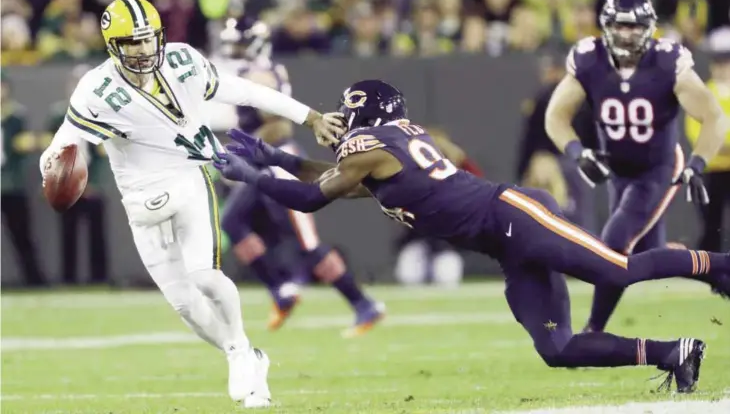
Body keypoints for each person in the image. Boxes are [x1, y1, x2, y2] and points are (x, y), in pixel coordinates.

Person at [214, 79, 730, 394]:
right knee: (558, 347)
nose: (345, 124)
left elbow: (314, 196)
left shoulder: (371, 149)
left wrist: (251, 175)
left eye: (351, 115)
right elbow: (333, 182)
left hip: (515, 215)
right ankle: (673, 353)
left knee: (615, 268)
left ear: (367, 116)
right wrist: (276, 159)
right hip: (505, 240)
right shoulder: (384, 149)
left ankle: (720, 265)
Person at [38, 0, 344, 408]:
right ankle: (250, 355)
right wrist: (52, 165)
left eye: (149, 40)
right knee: (186, 306)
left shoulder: (182, 60)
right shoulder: (98, 89)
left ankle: (238, 350)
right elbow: (66, 142)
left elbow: (245, 90)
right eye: (133, 43)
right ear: (113, 46)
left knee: (205, 276)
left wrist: (309, 116)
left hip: (188, 176)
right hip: (141, 200)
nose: (144, 50)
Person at [544, 0, 730, 333]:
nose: (627, 34)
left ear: (649, 28)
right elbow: (555, 116)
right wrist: (576, 151)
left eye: (634, 27)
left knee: (614, 244)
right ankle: (719, 268)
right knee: (648, 255)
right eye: (619, 26)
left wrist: (697, 163)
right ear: (606, 26)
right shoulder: (589, 58)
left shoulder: (667, 60)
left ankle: (592, 331)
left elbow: (713, 117)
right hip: (618, 171)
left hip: (657, 168)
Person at [208, 17, 385, 336]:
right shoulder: (251, 72)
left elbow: (280, 126)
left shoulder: (259, 73)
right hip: (262, 164)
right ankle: (281, 291)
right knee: (233, 222)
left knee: (308, 245)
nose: (233, 49)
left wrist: (244, 148)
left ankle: (363, 304)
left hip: (278, 161)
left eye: (239, 43)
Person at [517, 50, 597, 233]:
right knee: (580, 224)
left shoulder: (547, 95)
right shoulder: (584, 96)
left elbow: (531, 138)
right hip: (576, 164)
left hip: (553, 165)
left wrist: (526, 167)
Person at [44, 64, 109, 285]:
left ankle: (99, 278)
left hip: (92, 185)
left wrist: (95, 182)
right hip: (66, 185)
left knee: (97, 235)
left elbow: (102, 155)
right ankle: (68, 278)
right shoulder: (58, 115)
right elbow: (52, 153)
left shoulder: (100, 116)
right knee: (67, 234)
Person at [394, 127, 482, 287]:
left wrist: (453, 152)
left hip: (448, 245)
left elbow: (478, 185)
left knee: (447, 275)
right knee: (408, 273)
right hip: (417, 241)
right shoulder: (411, 175)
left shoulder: (455, 176)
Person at [685, 28, 730, 252]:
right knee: (711, 225)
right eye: (720, 62)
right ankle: (708, 270)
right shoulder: (704, 94)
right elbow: (698, 135)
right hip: (712, 169)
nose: (723, 67)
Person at [1, 70, 46, 286]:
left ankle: (34, 279)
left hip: (12, 184)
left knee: (22, 236)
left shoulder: (16, 115)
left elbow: (27, 143)